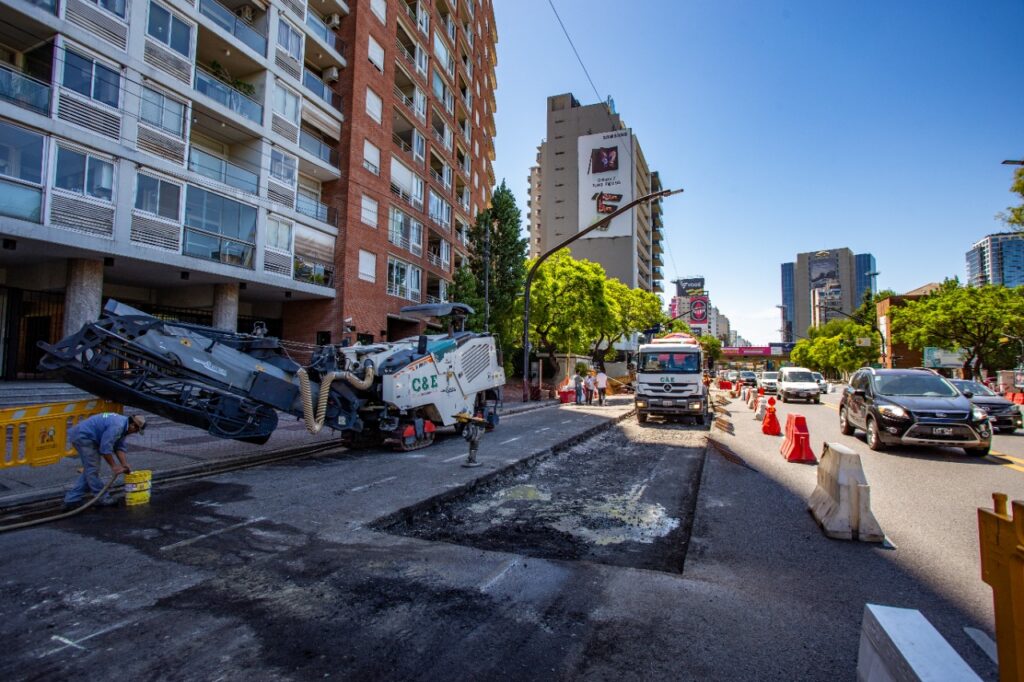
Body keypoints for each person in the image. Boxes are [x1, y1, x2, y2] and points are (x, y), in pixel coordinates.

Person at [63, 412, 146, 509]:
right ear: (132, 425)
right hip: (84, 437)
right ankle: (102, 498)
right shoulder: (118, 426)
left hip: (86, 435)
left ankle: (71, 499)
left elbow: (119, 447)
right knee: (92, 469)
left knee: (90, 470)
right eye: (136, 430)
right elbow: (105, 449)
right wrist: (114, 466)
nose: (135, 433)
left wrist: (124, 464)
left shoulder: (124, 425)